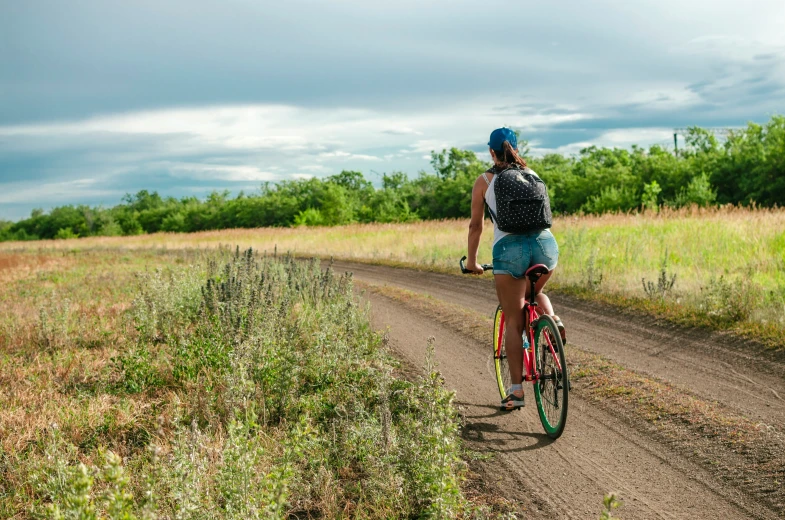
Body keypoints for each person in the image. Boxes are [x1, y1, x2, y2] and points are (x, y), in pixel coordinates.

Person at [465, 127, 565, 411]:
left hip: (510, 252)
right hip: (546, 246)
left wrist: (472, 263)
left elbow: (476, 226)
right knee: (536, 293)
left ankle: (517, 391)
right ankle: (553, 320)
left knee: (513, 318)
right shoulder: (531, 174)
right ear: (517, 150)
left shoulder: (484, 180)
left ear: (491, 152)